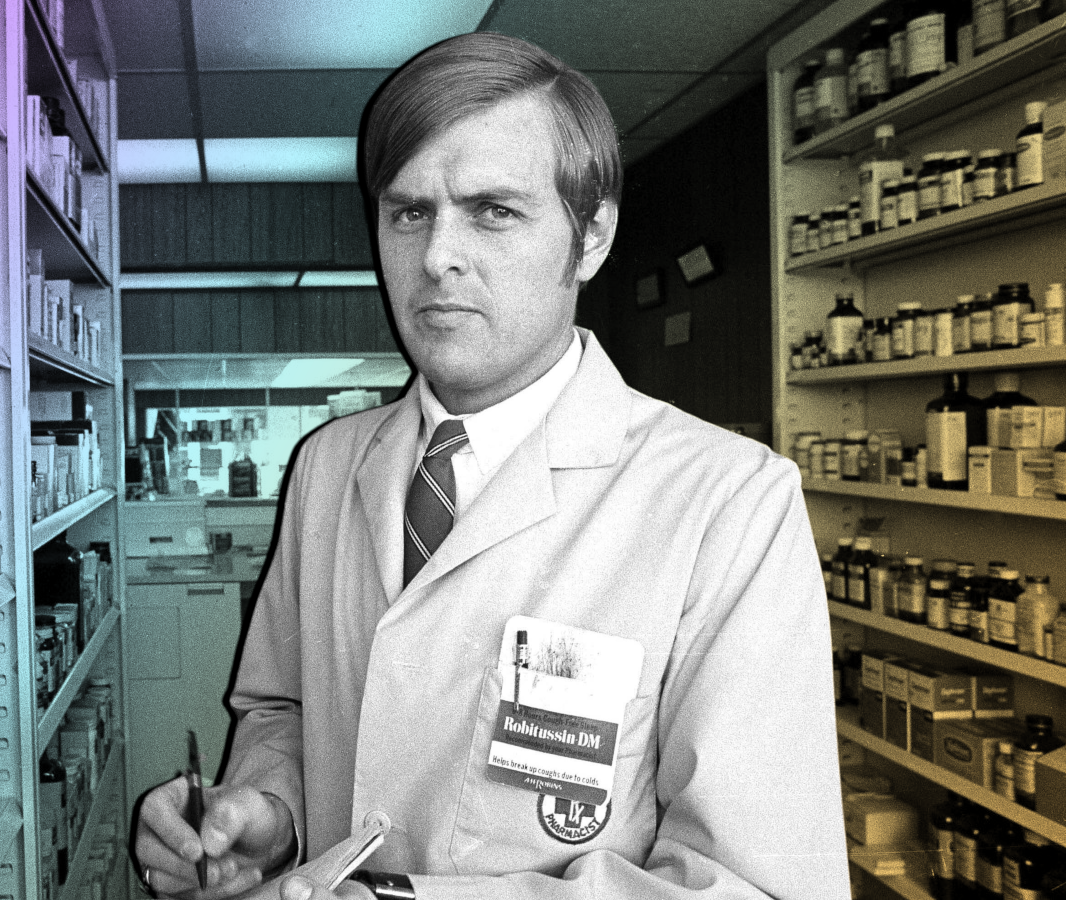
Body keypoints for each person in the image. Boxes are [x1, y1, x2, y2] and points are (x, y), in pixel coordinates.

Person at [132, 31, 849, 900]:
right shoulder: (327, 467)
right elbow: (281, 709)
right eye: (409, 212)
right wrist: (266, 817)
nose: (437, 256)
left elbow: (754, 885)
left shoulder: (729, 503)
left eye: (493, 211)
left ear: (591, 238)